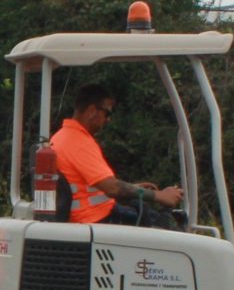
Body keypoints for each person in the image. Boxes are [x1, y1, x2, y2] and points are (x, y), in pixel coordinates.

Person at [49, 83, 181, 225]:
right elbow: (112, 188)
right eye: (107, 113)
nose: (108, 119)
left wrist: (135, 188)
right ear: (92, 110)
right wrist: (159, 196)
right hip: (95, 219)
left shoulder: (61, 137)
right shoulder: (78, 142)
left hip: (93, 215)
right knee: (160, 227)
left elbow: (94, 186)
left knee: (145, 212)